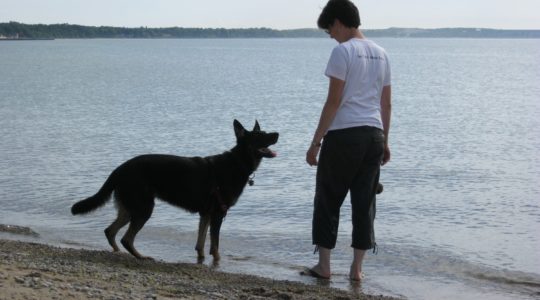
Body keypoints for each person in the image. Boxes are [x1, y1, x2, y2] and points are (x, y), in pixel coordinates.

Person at [304, 0, 392, 281]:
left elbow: (333, 102)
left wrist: (316, 142)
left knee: (328, 199)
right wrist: (386, 141)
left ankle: (325, 267)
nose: (330, 35)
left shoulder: (343, 52)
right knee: (364, 203)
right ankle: (356, 270)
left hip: (344, 135)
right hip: (374, 135)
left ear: (339, 22)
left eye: (330, 29)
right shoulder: (382, 53)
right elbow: (386, 104)